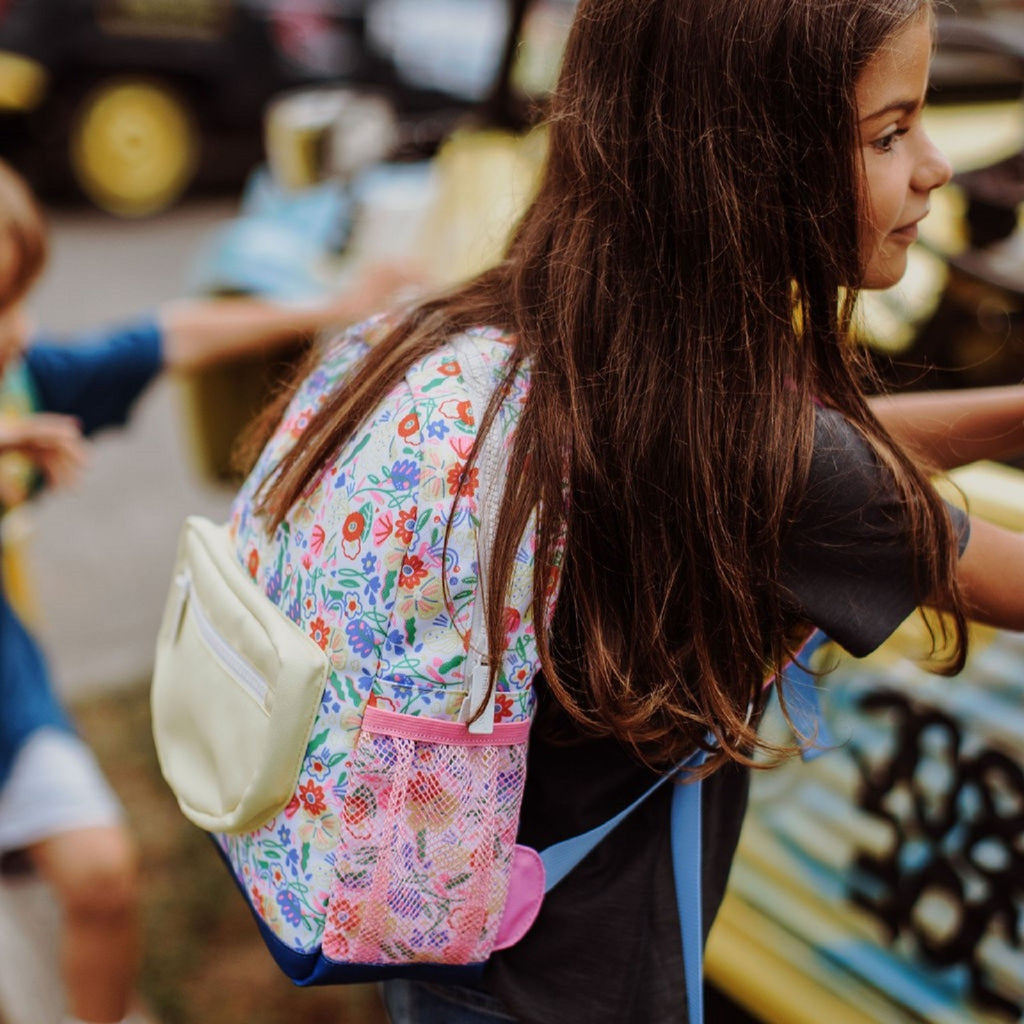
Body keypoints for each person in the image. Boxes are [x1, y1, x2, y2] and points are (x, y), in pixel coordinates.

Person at [227, 1, 1024, 1022]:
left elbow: (823, 452)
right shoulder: (747, 449)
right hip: (589, 989)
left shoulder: (537, 316)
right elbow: (837, 482)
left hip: (466, 957)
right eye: (889, 132)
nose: (936, 165)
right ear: (747, 163)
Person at [0, 157, 413, 1024]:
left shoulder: (23, 377)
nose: (18, 327)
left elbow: (164, 336)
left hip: (7, 684)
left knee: (104, 874)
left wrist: (330, 309)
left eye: (17, 297)